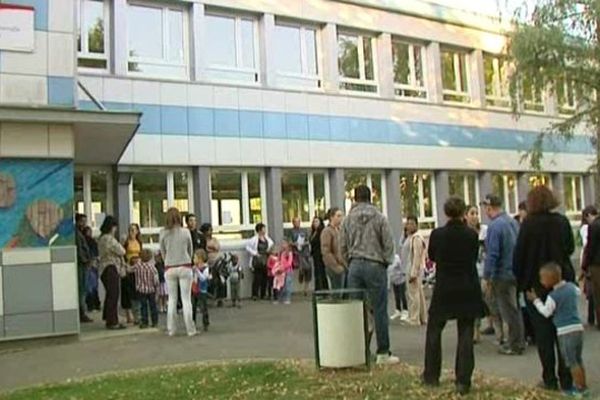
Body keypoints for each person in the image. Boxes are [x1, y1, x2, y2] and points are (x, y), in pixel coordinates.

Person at [514, 186, 575, 392]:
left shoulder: (528, 225)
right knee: (563, 331)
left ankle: (549, 378)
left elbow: (519, 256)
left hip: (535, 285)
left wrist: (522, 282)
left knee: (543, 334)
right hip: (561, 282)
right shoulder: (561, 222)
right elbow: (570, 248)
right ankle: (566, 377)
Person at [423, 197, 485, 396]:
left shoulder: (438, 234)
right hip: (467, 285)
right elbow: (474, 257)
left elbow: (432, 257)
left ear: (446, 213)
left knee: (434, 330)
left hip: (445, 286)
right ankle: (463, 380)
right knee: (466, 332)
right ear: (463, 213)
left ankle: (431, 375)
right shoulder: (471, 235)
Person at [340, 185, 398, 365]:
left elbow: (342, 246)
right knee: (379, 310)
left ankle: (357, 351)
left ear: (355, 199)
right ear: (370, 197)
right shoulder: (380, 217)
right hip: (375, 264)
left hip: (355, 265)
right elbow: (389, 243)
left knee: (356, 310)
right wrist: (386, 261)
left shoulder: (347, 220)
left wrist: (349, 263)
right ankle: (383, 352)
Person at [527, 263, 588, 397]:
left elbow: (546, 312)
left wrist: (536, 300)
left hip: (565, 331)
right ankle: (583, 385)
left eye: (542, 278)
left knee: (571, 361)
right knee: (578, 359)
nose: (541, 281)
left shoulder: (553, 296)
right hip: (577, 328)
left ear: (549, 280)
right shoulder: (571, 288)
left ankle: (579, 390)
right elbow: (578, 293)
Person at [481, 194, 525, 355]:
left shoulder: (495, 226)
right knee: (516, 308)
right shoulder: (513, 222)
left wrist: (487, 277)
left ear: (490, 207)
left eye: (486, 207)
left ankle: (514, 344)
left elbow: (493, 253)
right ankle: (519, 339)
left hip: (502, 274)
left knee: (508, 310)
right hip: (515, 272)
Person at [160, 207, 196, 337]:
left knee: (172, 299)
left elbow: (162, 251)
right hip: (185, 266)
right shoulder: (186, 232)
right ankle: (190, 329)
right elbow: (190, 250)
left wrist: (167, 261)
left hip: (170, 267)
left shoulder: (163, 233)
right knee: (186, 300)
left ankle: (171, 329)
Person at [465, 205, 491, 344]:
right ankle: (475, 331)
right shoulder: (464, 232)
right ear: (465, 216)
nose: (475, 216)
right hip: (471, 272)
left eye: (476, 213)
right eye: (472, 213)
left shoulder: (485, 230)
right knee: (474, 302)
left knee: (488, 299)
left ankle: (492, 326)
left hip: (484, 269)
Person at [97, 216, 126, 330]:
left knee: (110, 294)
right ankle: (112, 321)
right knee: (114, 294)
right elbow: (121, 251)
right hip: (110, 268)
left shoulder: (101, 238)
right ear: (111, 227)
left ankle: (108, 317)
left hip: (104, 269)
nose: (116, 229)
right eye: (115, 227)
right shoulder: (109, 239)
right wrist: (122, 242)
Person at [403, 215, 427, 326]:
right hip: (409, 267)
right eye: (408, 223)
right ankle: (422, 317)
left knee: (413, 294)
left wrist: (414, 272)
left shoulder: (417, 238)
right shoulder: (409, 237)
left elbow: (417, 256)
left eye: (412, 223)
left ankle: (414, 318)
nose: (409, 226)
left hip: (413, 268)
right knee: (418, 293)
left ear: (416, 225)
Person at [580, 205, 598, 327]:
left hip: (596, 264)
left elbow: (589, 247)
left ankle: (595, 319)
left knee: (596, 293)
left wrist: (585, 266)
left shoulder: (592, 227)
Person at [133, 249, 159, 329]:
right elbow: (156, 281)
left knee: (143, 306)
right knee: (153, 306)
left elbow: (130, 269)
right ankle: (154, 322)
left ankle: (145, 322)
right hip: (151, 290)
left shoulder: (138, 266)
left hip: (141, 289)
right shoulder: (152, 268)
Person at [246, 223, 274, 300]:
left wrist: (269, 250)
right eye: (263, 229)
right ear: (259, 230)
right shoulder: (254, 239)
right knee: (257, 277)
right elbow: (247, 247)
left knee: (265, 278)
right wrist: (255, 253)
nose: (264, 230)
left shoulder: (267, 238)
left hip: (265, 259)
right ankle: (255, 294)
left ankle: (263, 294)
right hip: (258, 260)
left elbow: (271, 244)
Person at [321, 207, 346, 290]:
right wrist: (336, 267)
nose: (340, 218)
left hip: (343, 266)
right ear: (331, 217)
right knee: (337, 293)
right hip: (334, 267)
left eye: (341, 216)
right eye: (338, 216)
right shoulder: (327, 231)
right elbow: (326, 251)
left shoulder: (340, 230)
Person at [122, 223, 142, 324]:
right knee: (127, 290)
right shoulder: (126, 242)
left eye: (134, 230)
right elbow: (123, 254)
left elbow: (141, 253)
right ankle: (128, 314)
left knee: (136, 291)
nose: (132, 232)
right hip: (128, 267)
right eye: (130, 230)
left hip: (137, 268)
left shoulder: (139, 242)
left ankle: (137, 315)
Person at [75, 214, 93, 323]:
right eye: (82, 221)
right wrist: (86, 261)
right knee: (82, 289)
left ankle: (82, 312)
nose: (84, 224)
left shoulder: (81, 233)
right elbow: (80, 250)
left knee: (84, 289)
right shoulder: (77, 234)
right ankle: (81, 313)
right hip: (82, 265)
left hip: (84, 264)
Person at [290, 217, 312, 296]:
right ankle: (301, 277)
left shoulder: (304, 230)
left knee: (308, 269)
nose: (297, 223)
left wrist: (305, 243)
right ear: (293, 223)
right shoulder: (291, 231)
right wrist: (294, 244)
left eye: (298, 222)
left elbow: (308, 240)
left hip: (305, 252)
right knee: (302, 268)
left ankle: (306, 289)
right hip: (297, 253)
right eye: (295, 222)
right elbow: (289, 242)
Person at [192, 249, 210, 332]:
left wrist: (197, 271)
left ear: (200, 259)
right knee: (193, 306)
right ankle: (192, 322)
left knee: (203, 307)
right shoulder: (194, 268)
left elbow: (203, 278)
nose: (193, 260)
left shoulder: (205, 268)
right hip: (195, 289)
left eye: (195, 258)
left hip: (202, 290)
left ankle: (205, 323)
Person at [83, 226, 101, 312]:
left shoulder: (86, 241)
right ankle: (96, 304)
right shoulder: (92, 241)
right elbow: (96, 253)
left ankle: (91, 305)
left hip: (89, 264)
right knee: (94, 286)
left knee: (89, 286)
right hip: (93, 264)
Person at [310, 217, 328, 291]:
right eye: (314, 222)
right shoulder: (314, 232)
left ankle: (323, 288)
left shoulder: (322, 231)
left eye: (317, 221)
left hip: (320, 254)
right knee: (317, 272)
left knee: (321, 272)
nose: (315, 223)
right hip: (315, 255)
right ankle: (318, 288)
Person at [389, 253, 408, 321]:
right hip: (394, 280)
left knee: (402, 296)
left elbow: (402, 267)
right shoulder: (388, 257)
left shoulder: (396, 258)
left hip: (401, 279)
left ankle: (405, 311)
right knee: (396, 296)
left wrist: (403, 274)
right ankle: (398, 310)